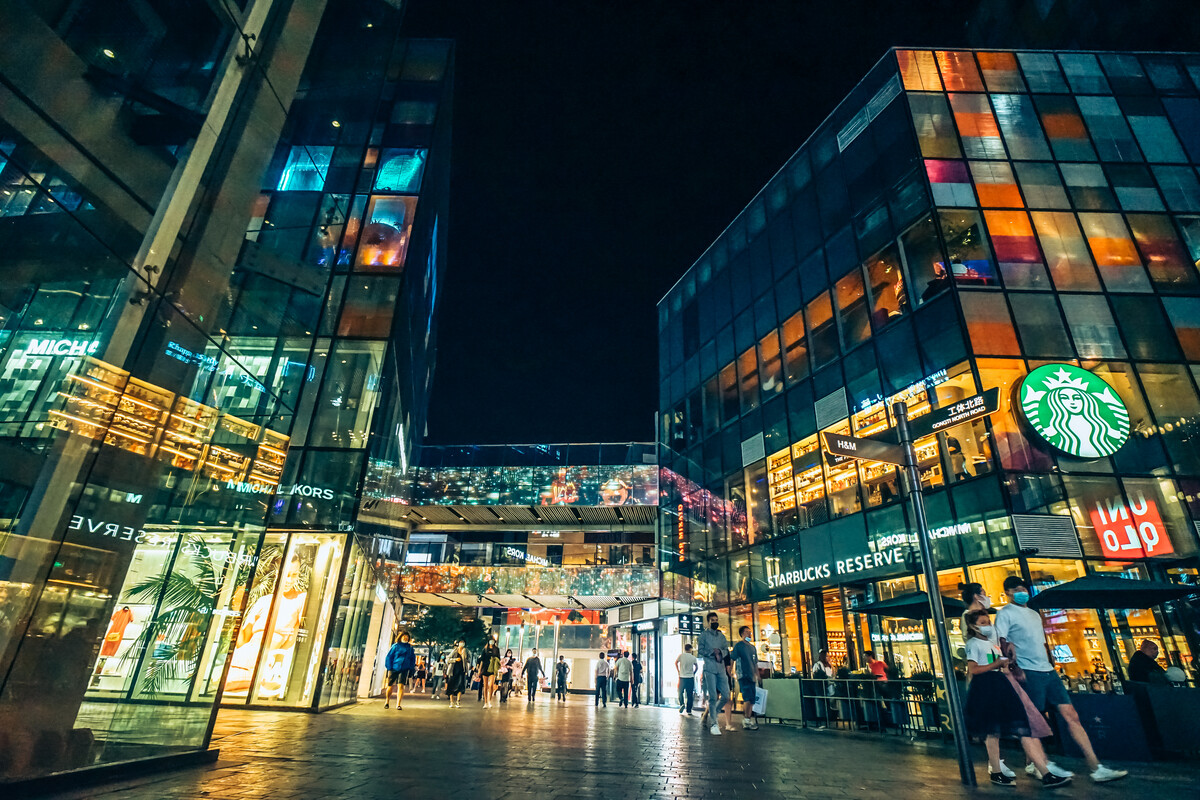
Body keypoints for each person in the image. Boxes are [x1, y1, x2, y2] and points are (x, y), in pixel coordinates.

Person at [996, 576, 1127, 783]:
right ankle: (1039, 764)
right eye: (1017, 590)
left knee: (1071, 714)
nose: (1022, 592)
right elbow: (1001, 641)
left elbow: (1040, 641)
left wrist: (1051, 659)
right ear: (1008, 593)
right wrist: (1014, 667)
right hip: (1029, 671)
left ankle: (1095, 766)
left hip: (1047, 670)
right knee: (1035, 720)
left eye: (1023, 588)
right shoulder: (1005, 614)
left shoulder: (1033, 614)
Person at [962, 609, 1070, 788]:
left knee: (1017, 727)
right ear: (973, 626)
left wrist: (1005, 664)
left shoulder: (991, 642)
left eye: (988, 621)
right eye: (982, 623)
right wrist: (996, 664)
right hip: (986, 686)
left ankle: (1043, 772)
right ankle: (999, 770)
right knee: (993, 730)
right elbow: (973, 669)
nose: (988, 625)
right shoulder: (973, 644)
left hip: (1000, 683)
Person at [697, 611, 733, 735]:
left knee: (726, 695)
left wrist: (720, 653)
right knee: (712, 697)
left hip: (721, 668)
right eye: (712, 620)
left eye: (716, 620)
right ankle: (714, 724)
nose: (715, 622)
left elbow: (726, 650)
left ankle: (714, 713)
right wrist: (712, 652)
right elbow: (700, 650)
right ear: (708, 622)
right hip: (710, 669)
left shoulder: (721, 636)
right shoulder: (703, 636)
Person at [733, 625, 759, 730]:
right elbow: (733, 658)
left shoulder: (753, 647)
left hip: (752, 675)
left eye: (750, 632)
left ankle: (748, 718)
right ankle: (746, 719)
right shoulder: (739, 645)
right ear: (742, 634)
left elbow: (755, 662)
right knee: (747, 697)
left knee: (752, 699)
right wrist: (731, 670)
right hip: (743, 675)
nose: (749, 634)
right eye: (747, 632)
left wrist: (757, 674)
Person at [383, 632, 416, 710]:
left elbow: (412, 659)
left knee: (401, 686)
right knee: (390, 685)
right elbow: (389, 657)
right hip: (394, 668)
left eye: (407, 637)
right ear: (400, 637)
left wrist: (411, 667)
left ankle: (398, 704)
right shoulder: (395, 646)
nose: (405, 638)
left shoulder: (410, 648)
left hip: (404, 669)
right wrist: (389, 667)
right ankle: (387, 701)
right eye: (404, 636)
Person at [811, 649, 834, 729]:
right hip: (821, 687)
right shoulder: (818, 665)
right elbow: (815, 675)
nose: (829, 657)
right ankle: (823, 720)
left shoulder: (829, 665)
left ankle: (828, 718)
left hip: (828, 686)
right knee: (822, 702)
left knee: (828, 702)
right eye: (827, 656)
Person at [676, 643, 698, 715]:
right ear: (690, 649)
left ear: (685, 649)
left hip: (682, 677)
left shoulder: (681, 656)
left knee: (680, 692)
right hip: (690, 678)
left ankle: (682, 704)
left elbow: (676, 662)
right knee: (689, 694)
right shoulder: (693, 657)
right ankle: (689, 710)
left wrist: (678, 671)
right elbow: (696, 667)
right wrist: (693, 673)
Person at [481, 636, 501, 708]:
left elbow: (499, 659)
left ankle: (489, 700)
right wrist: (480, 669)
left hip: (492, 668)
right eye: (490, 640)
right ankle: (485, 701)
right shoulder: (485, 649)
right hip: (485, 667)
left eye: (493, 640)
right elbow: (482, 660)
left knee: (491, 685)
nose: (491, 642)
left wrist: (498, 668)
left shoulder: (496, 649)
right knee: (485, 685)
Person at [446, 640, 467, 708]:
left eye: (463, 642)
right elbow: (448, 659)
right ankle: (451, 702)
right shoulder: (454, 651)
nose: (462, 644)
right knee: (451, 686)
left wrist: (464, 654)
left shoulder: (465, 651)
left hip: (461, 671)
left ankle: (458, 701)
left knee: (460, 686)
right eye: (460, 642)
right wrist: (455, 659)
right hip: (453, 671)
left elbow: (467, 660)